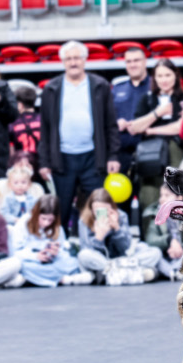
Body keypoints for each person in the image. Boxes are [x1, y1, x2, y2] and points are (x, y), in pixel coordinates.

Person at [38, 40, 121, 232]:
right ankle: (60, 244)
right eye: (69, 59)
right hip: (62, 160)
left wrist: (113, 155)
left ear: (84, 60)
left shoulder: (100, 86)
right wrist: (44, 162)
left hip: (93, 158)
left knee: (99, 207)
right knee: (61, 210)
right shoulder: (51, 88)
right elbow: (45, 129)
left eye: (77, 58)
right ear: (63, 62)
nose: (73, 62)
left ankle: (101, 241)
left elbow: (111, 124)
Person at [128, 58, 183, 209]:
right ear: (154, 78)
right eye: (160, 76)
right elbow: (134, 127)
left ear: (175, 76)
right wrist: (158, 113)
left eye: (167, 75)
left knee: (176, 195)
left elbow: (180, 127)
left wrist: (150, 130)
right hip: (150, 155)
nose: (164, 80)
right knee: (148, 196)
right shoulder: (147, 99)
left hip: (176, 152)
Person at [77, 189, 162, 283]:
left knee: (154, 251)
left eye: (104, 209)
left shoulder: (121, 216)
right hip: (102, 261)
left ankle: (112, 273)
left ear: (111, 207)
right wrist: (98, 238)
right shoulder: (84, 220)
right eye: (97, 210)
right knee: (83, 255)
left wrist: (117, 229)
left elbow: (126, 248)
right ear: (91, 208)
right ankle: (130, 272)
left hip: (122, 259)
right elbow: (86, 250)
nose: (101, 213)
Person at [11, 194, 90, 286]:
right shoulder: (24, 223)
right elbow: (15, 252)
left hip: (52, 262)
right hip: (31, 260)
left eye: (50, 220)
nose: (46, 223)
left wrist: (55, 252)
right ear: (36, 214)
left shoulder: (57, 227)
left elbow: (62, 250)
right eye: (43, 218)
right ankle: (63, 279)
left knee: (73, 263)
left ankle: (36, 279)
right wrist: (35, 256)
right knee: (21, 266)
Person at [113, 46, 152, 177]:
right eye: (129, 61)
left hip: (150, 151)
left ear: (145, 62)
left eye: (136, 60)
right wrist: (116, 122)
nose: (132, 64)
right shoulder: (117, 89)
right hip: (122, 155)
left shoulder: (155, 86)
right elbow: (107, 119)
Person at [141, 183, 183, 280]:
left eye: (167, 195)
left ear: (179, 198)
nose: (162, 199)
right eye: (161, 195)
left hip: (181, 255)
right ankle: (174, 272)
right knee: (152, 252)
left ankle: (169, 272)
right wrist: (169, 240)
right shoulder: (154, 214)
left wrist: (180, 248)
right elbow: (150, 240)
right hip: (164, 256)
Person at [8, 85, 41, 169]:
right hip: (42, 165)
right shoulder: (43, 120)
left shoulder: (13, 123)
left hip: (21, 165)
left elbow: (11, 150)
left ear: (20, 105)